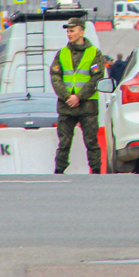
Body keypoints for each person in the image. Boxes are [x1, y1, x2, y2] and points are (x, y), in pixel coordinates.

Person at [50, 16, 104, 174]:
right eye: (68, 31)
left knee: (91, 141)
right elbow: (55, 77)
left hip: (87, 106)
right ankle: (59, 170)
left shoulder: (94, 53)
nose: (69, 34)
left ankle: (95, 171)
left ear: (81, 32)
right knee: (64, 142)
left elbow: (97, 77)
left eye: (72, 31)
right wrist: (67, 97)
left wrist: (78, 97)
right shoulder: (62, 53)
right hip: (66, 106)